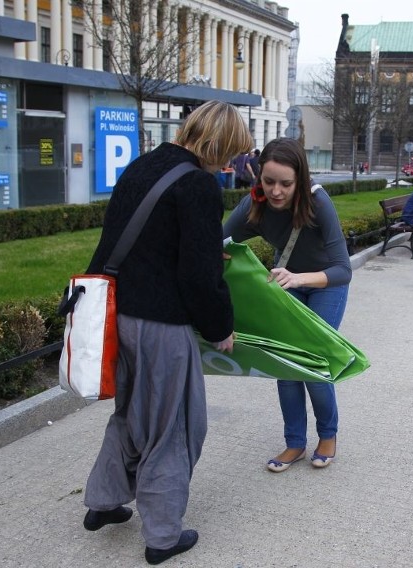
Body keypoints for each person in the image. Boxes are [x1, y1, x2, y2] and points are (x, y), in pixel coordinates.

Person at [81, 100, 252, 565]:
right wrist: (221, 327)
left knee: (130, 412)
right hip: (161, 324)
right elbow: (198, 275)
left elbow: (130, 240)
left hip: (118, 315)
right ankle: (161, 536)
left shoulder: (143, 166)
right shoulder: (197, 184)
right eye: (233, 153)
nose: (232, 164)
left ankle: (103, 500)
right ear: (217, 143)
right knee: (173, 424)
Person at [223, 138, 352, 473]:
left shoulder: (317, 202)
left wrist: (299, 278)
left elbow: (342, 269)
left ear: (301, 179)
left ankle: (328, 435)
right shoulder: (254, 205)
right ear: (258, 177)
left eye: (286, 184)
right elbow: (217, 243)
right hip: (286, 283)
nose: (276, 191)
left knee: (312, 363)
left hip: (324, 285)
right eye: (269, 182)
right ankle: (294, 443)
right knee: (285, 365)